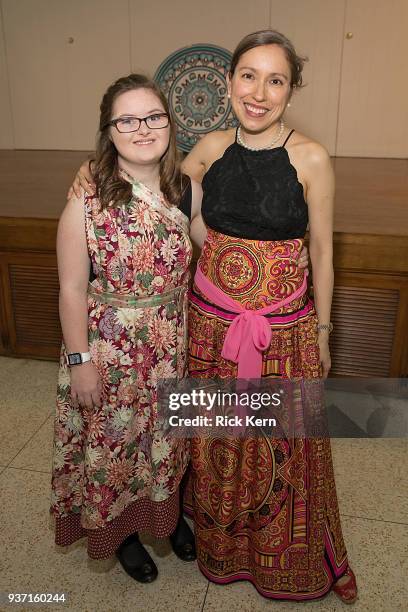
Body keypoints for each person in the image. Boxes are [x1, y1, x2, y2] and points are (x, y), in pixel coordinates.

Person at [180, 30, 358, 603]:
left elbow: (325, 253)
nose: (259, 92)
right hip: (211, 329)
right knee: (216, 439)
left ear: (291, 89)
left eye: (275, 79)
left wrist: (325, 332)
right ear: (228, 81)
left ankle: (280, 556)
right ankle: (220, 545)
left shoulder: (311, 157)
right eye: (248, 76)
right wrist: (94, 175)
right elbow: (161, 201)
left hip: (284, 335)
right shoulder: (207, 148)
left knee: (283, 447)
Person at [50, 73, 204, 584]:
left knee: (168, 442)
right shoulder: (87, 198)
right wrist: (80, 363)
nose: (143, 128)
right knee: (116, 451)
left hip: (171, 347)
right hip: (108, 353)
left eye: (154, 117)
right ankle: (125, 536)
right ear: (109, 130)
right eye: (128, 120)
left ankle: (170, 518)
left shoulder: (187, 191)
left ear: (169, 124)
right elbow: (72, 288)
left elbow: (219, 256)